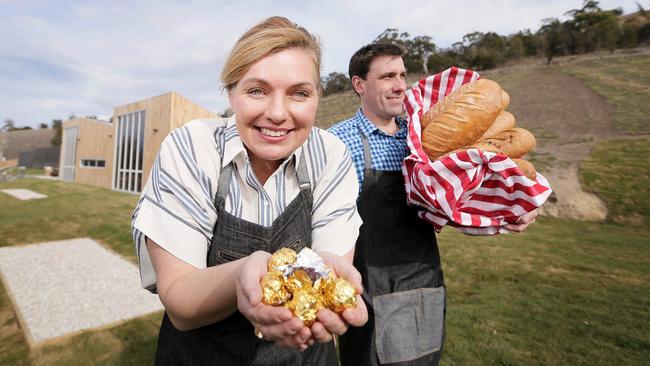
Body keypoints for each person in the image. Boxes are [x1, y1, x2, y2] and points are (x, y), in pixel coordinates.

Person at [131, 16, 368, 365]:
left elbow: (327, 275)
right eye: (257, 90)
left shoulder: (331, 156)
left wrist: (328, 280)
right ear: (231, 92)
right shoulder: (192, 148)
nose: (276, 113)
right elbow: (180, 300)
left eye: (299, 93)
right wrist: (242, 274)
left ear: (317, 97)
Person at [329, 43, 537, 366]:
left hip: (425, 286)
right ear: (359, 85)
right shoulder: (338, 143)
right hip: (368, 296)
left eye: (402, 74)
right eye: (387, 76)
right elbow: (324, 226)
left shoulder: (421, 141)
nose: (400, 85)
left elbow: (453, 207)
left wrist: (507, 213)